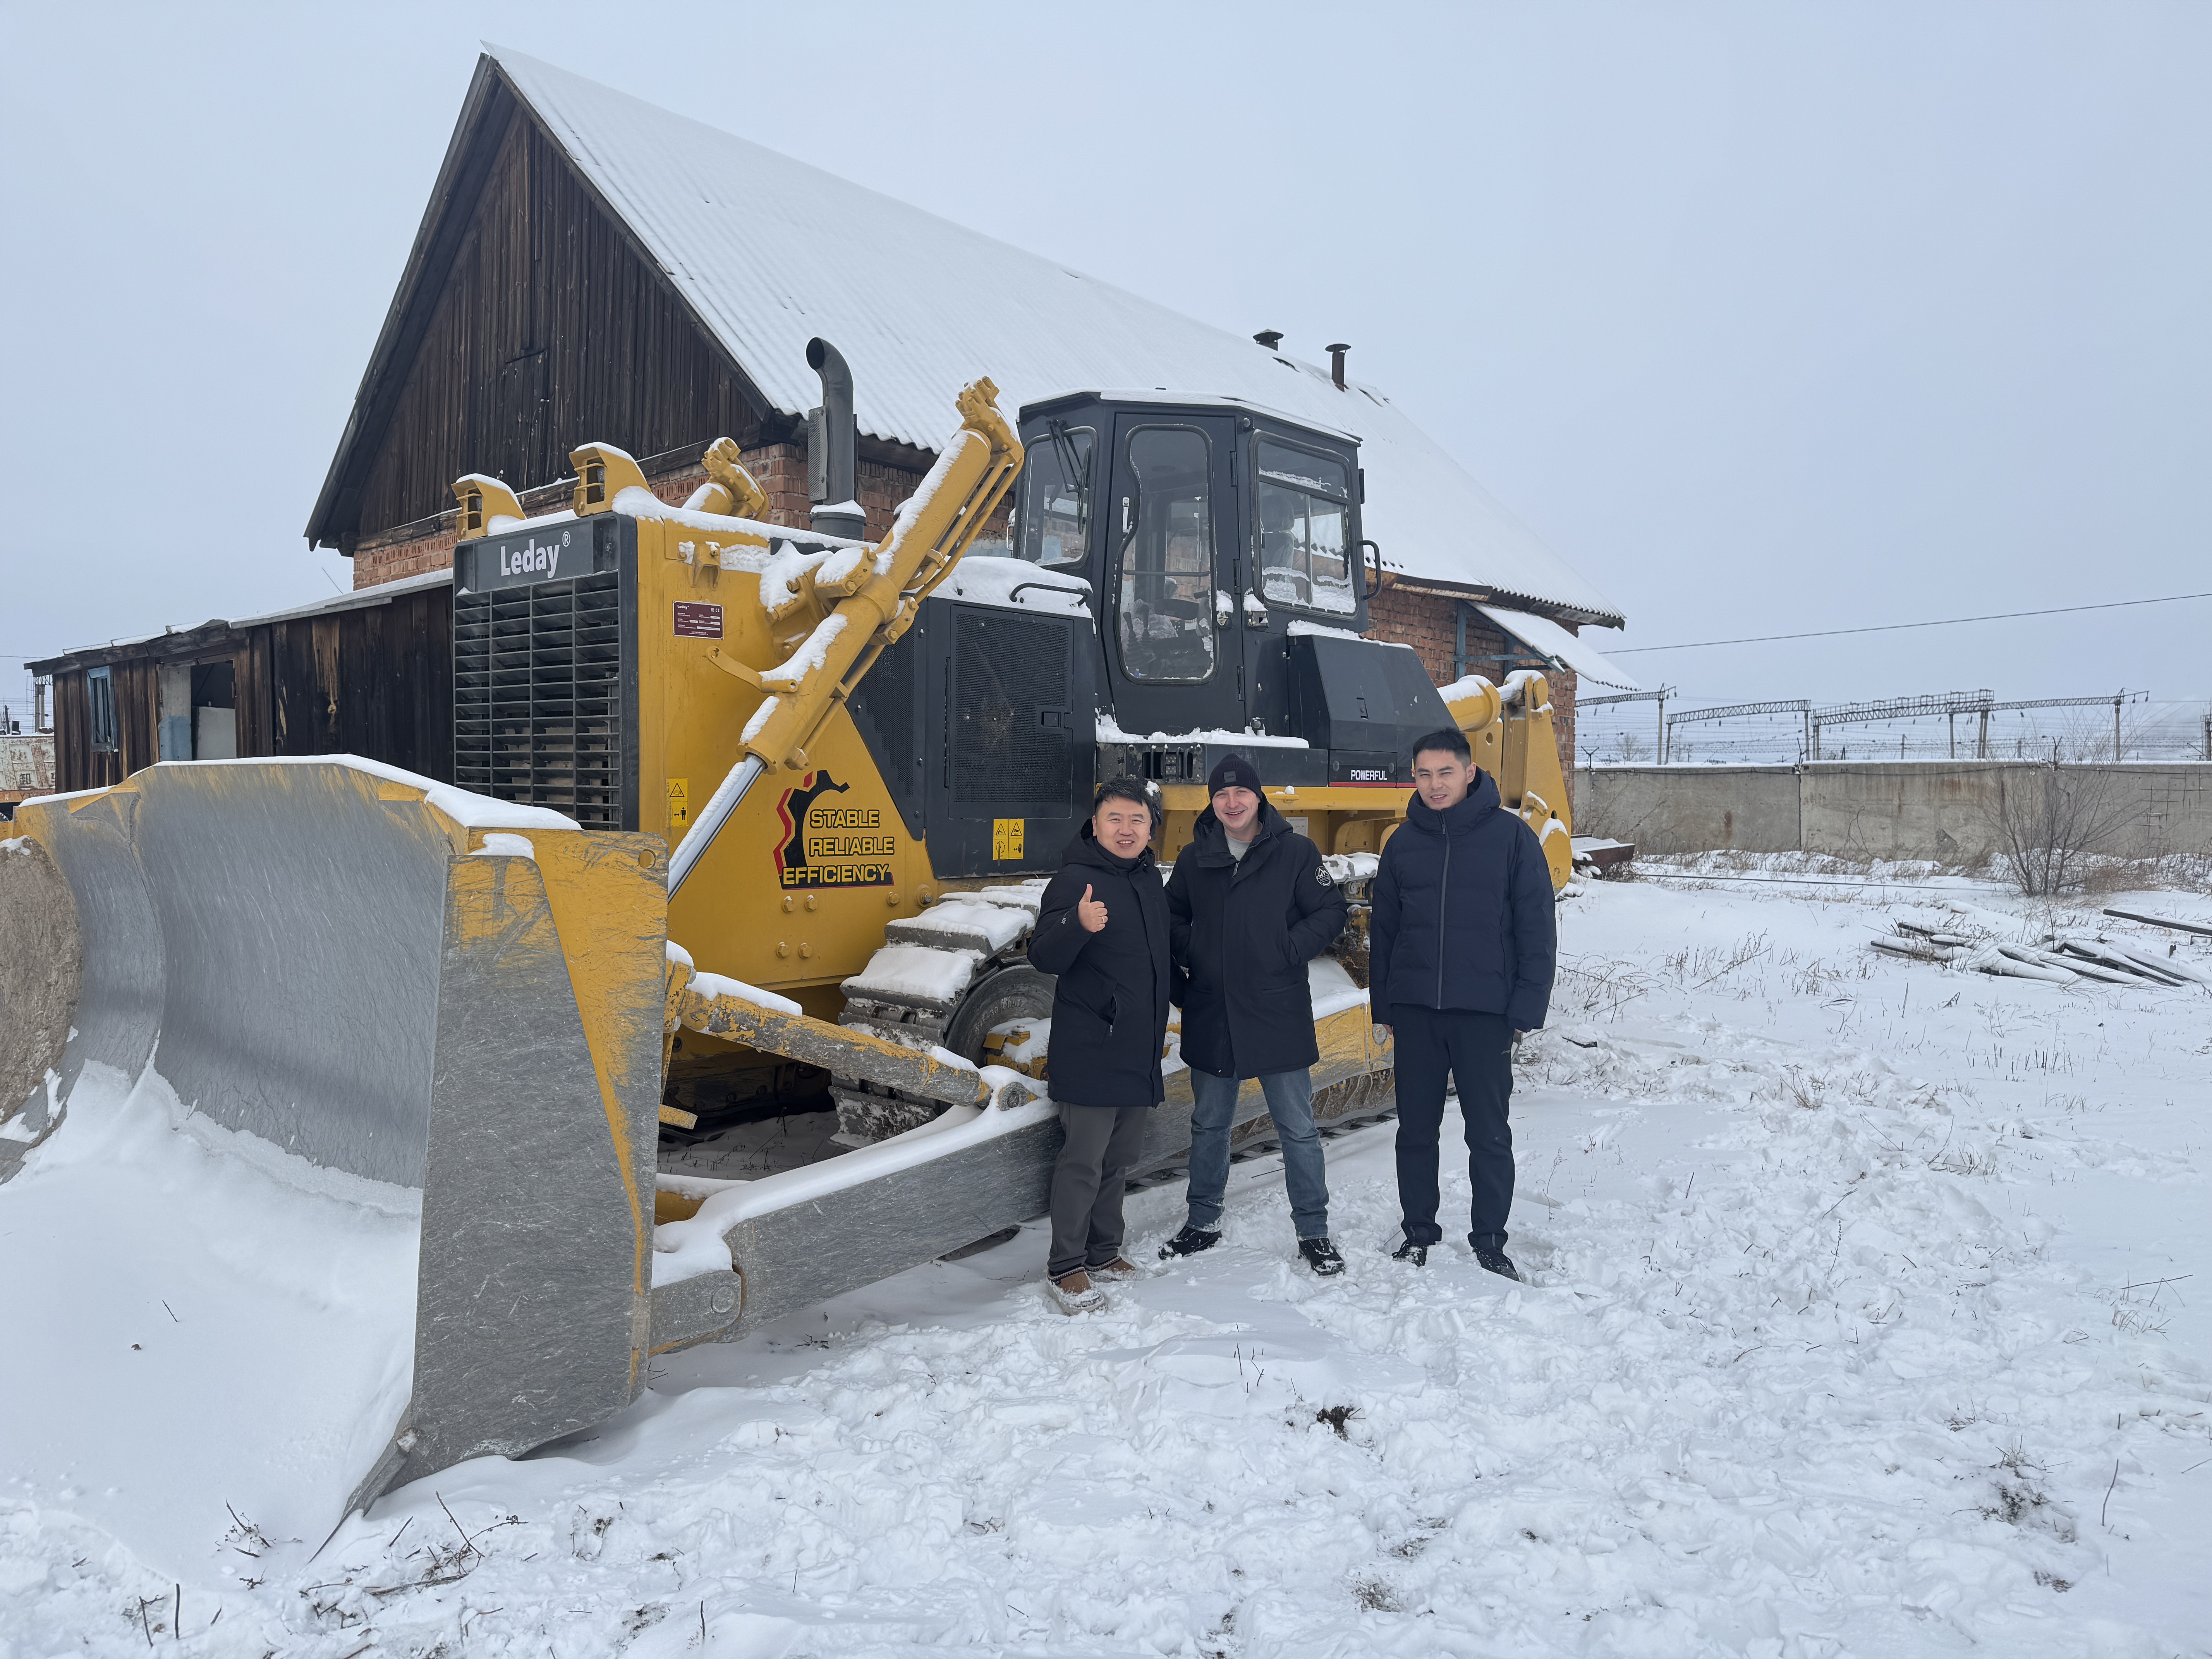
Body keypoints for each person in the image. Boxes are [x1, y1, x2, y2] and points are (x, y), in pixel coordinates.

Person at [1367, 728, 1557, 1278]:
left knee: (1489, 1134)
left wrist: (1524, 1009)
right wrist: (1387, 1008)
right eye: (1423, 774)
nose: (1434, 784)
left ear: (1469, 773)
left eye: (1445, 773)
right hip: (1418, 1014)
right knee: (1415, 1132)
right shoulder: (1403, 843)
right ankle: (1418, 1232)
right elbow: (1387, 931)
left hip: (1485, 1013)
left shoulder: (1511, 838)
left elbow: (1536, 928)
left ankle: (1490, 1239)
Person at [1161, 754, 1350, 1276]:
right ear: (1213, 803)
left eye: (1240, 793)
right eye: (1221, 796)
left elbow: (1331, 911)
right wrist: (1196, 947)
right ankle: (1203, 1220)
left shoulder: (1294, 852)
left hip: (1277, 1010)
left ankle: (1314, 1231)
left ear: (1257, 796)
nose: (1232, 803)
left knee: (1297, 1128)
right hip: (1213, 1011)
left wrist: (1288, 947)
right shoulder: (1195, 858)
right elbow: (1170, 915)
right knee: (1209, 1125)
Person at [1027, 778, 1174, 1313]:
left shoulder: (1148, 881)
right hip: (1093, 1046)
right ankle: (1066, 1266)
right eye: (1116, 819)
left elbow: (1158, 960)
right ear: (1095, 825)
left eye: (1137, 820)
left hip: (1137, 1048)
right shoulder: (1075, 882)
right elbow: (1043, 955)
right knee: (1083, 1162)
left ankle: (1105, 1251)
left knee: (1119, 1159)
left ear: (1150, 828)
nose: (1127, 829)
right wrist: (1077, 924)